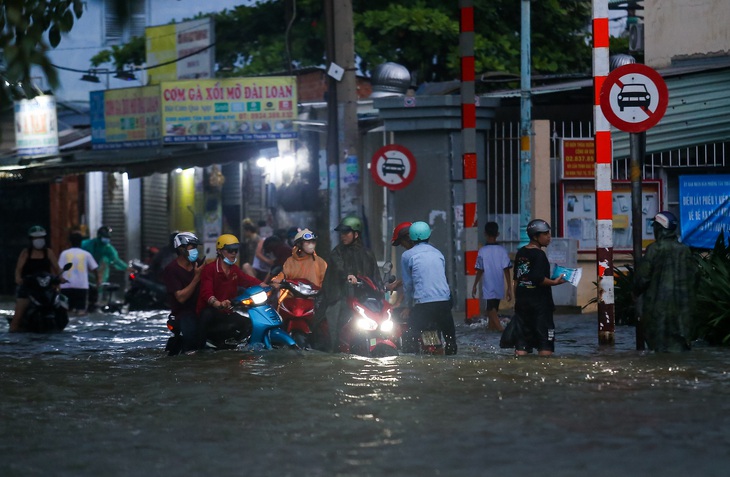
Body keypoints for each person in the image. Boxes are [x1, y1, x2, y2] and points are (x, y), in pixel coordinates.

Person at [633, 211, 696, 352]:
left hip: (657, 312)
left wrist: (635, 293)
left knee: (659, 351)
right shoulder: (685, 251)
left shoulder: (654, 250)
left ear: (660, 229)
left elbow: (642, 279)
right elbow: (695, 279)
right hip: (682, 314)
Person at [319, 216, 381, 352]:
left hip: (363, 299)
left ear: (356, 234)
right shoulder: (337, 252)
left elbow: (375, 275)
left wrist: (382, 288)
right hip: (339, 297)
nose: (343, 236)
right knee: (334, 330)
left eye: (346, 233)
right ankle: (334, 353)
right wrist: (348, 276)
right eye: (341, 233)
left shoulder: (368, 254)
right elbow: (339, 267)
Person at [196, 234, 263, 349]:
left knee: (250, 325)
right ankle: (199, 350)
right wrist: (218, 304)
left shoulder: (234, 270)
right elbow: (206, 292)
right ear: (220, 251)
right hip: (210, 311)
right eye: (230, 250)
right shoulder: (210, 269)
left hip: (227, 311)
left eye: (235, 250)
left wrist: (266, 285)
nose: (233, 253)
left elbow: (248, 280)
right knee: (206, 318)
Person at [400, 221, 458, 355]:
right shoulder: (438, 253)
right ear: (429, 235)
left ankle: (411, 368)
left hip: (424, 305)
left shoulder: (407, 256)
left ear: (411, 237)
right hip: (444, 302)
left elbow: (408, 284)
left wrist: (408, 306)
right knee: (450, 339)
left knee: (410, 336)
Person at [512, 219, 567, 357]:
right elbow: (539, 279)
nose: (549, 236)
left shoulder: (521, 253)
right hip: (540, 306)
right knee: (545, 345)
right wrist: (555, 282)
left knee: (521, 347)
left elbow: (517, 279)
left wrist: (517, 301)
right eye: (545, 234)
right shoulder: (540, 255)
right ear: (536, 236)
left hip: (522, 304)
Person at [10, 226, 62, 332]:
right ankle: (12, 335)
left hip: (46, 288)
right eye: (36, 238)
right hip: (28, 288)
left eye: (41, 237)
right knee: (17, 318)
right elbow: (18, 269)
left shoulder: (48, 252)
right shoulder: (26, 253)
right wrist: (18, 278)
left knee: (60, 307)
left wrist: (60, 278)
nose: (39, 240)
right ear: (31, 240)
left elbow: (57, 268)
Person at [162, 232, 204, 353]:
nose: (195, 250)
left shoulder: (198, 264)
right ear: (181, 249)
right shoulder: (171, 270)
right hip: (183, 313)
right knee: (191, 342)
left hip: (202, 309)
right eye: (192, 247)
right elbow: (180, 298)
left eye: (196, 247)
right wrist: (196, 278)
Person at [471, 222, 513, 331]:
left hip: (488, 283)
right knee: (494, 307)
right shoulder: (502, 251)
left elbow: (480, 270)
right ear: (498, 234)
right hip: (499, 283)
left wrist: (475, 284)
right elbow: (507, 270)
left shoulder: (482, 251)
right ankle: (491, 328)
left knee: (490, 308)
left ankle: (500, 329)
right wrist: (509, 287)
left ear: (485, 233)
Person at [82, 225, 130, 309]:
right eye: (105, 237)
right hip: (85, 273)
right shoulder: (86, 244)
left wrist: (126, 268)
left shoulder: (108, 249)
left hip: (97, 275)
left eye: (108, 237)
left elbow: (116, 260)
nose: (107, 239)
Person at [58, 232, 101, 315]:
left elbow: (60, 269)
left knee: (66, 311)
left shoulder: (64, 254)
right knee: (81, 311)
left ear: (69, 242)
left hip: (66, 286)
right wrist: (98, 281)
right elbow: (95, 269)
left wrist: (58, 282)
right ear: (81, 242)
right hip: (81, 286)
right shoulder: (86, 254)